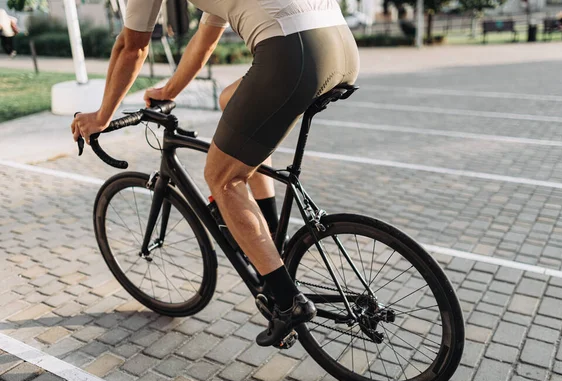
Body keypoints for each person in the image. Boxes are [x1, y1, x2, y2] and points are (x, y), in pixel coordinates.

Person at [71, 0, 359, 347]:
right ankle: (272, 241)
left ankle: (287, 302)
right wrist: (168, 91)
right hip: (341, 44)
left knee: (223, 178)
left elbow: (131, 46)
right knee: (231, 104)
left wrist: (101, 116)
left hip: (293, 50)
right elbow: (205, 39)